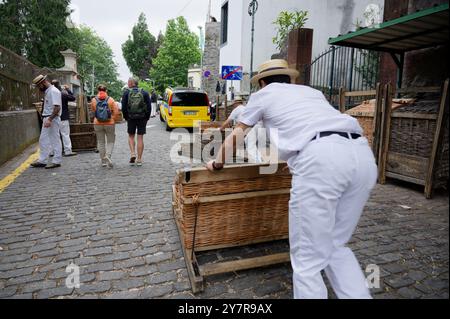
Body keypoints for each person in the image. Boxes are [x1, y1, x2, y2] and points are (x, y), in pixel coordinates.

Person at [206, 59, 378, 299]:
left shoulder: (263, 95)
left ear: (262, 82)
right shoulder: (312, 92)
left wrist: (217, 162)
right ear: (289, 78)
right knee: (335, 246)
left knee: (307, 258)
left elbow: (237, 134)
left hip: (322, 158)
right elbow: (308, 124)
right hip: (362, 155)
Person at [30, 75, 63, 169]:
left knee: (54, 139)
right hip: (49, 117)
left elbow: (57, 107)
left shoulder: (53, 91)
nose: (38, 88)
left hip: (51, 118)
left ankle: (56, 160)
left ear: (43, 82)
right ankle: (42, 160)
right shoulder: (49, 91)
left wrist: (49, 119)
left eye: (38, 86)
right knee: (44, 139)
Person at [121, 77, 152, 166]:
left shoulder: (126, 93)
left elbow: (123, 107)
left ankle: (132, 153)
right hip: (142, 117)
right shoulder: (144, 92)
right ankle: (139, 159)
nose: (127, 84)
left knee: (131, 136)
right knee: (140, 138)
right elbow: (149, 107)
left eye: (128, 82)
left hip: (131, 117)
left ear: (131, 83)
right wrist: (147, 117)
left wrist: (126, 117)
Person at [90, 85, 119, 168]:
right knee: (110, 141)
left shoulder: (94, 100)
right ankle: (108, 156)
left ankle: (103, 161)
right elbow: (116, 112)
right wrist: (113, 119)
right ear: (106, 90)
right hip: (109, 123)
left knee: (101, 142)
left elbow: (93, 111)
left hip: (97, 123)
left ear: (98, 90)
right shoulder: (110, 100)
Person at [51, 80, 77, 157]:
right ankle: (68, 151)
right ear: (59, 85)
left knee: (54, 135)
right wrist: (68, 89)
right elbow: (73, 98)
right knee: (65, 134)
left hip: (53, 117)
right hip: (63, 117)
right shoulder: (63, 94)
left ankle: (53, 151)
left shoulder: (50, 94)